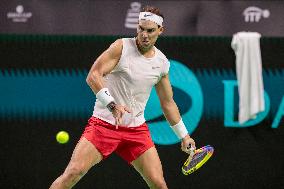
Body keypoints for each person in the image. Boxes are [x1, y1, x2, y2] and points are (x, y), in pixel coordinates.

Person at [49, 5, 195, 189]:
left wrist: (184, 135)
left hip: (136, 131)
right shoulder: (121, 47)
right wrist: (112, 105)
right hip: (104, 126)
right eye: (141, 28)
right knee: (73, 173)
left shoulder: (161, 63)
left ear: (160, 31)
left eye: (150, 30)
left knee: (159, 184)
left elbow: (168, 103)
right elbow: (94, 75)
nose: (144, 35)